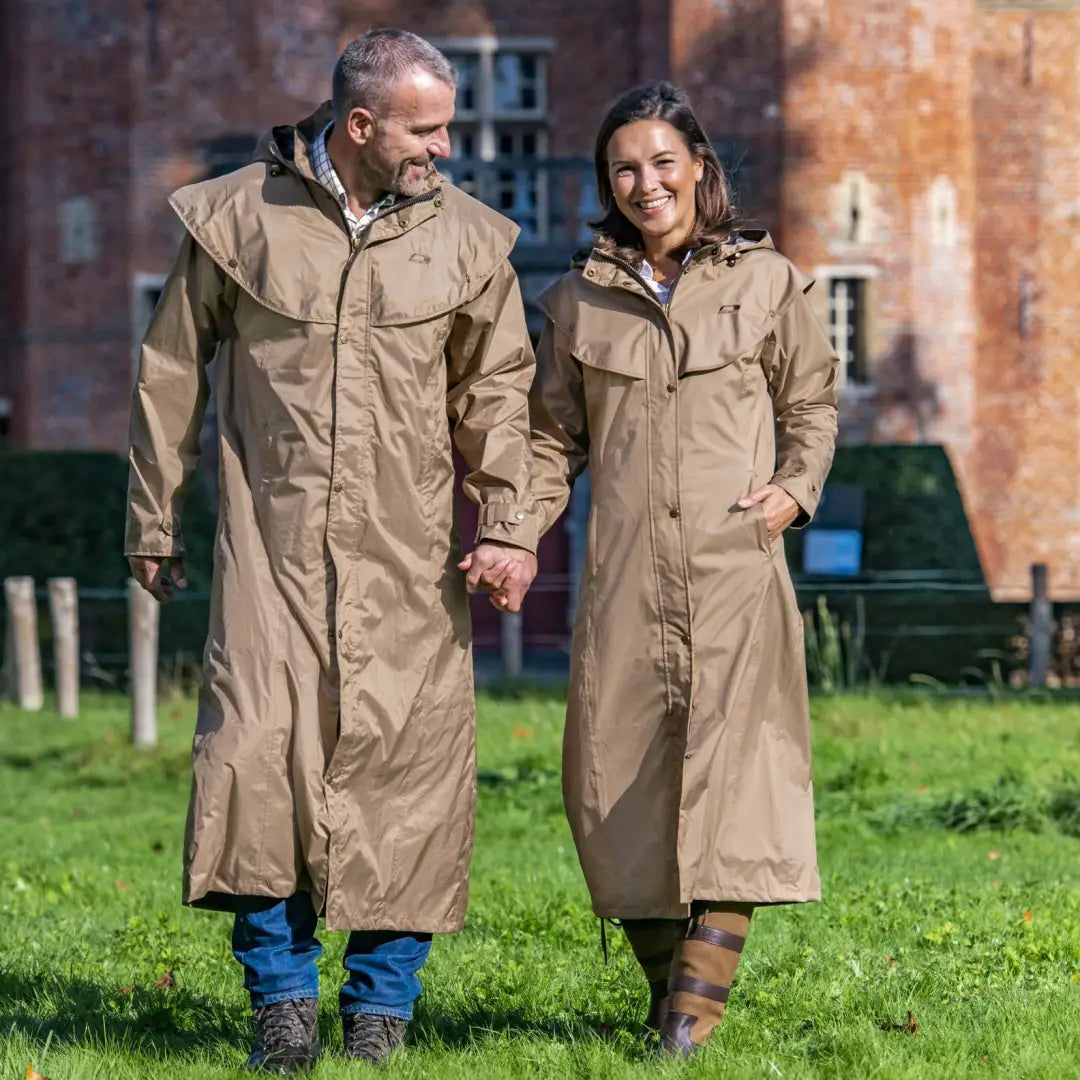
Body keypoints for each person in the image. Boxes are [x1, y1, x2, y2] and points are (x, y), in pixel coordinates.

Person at [125, 29, 537, 1074]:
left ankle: (381, 1011)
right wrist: (154, 517)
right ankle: (280, 1003)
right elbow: (170, 368)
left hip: (409, 564)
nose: (446, 148)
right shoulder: (234, 220)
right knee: (254, 763)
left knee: (410, 776)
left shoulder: (471, 243)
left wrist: (507, 527)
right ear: (361, 126)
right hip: (270, 552)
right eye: (427, 128)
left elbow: (497, 396)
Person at [525, 81, 839, 1057]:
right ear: (605, 183)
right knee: (615, 789)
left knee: (737, 785)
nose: (645, 182)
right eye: (625, 167)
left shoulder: (766, 283)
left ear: (700, 166)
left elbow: (813, 407)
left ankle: (689, 1026)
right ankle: (673, 998)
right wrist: (514, 531)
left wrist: (794, 489)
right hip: (623, 585)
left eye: (663, 161)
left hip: (734, 573)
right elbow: (548, 440)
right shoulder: (577, 301)